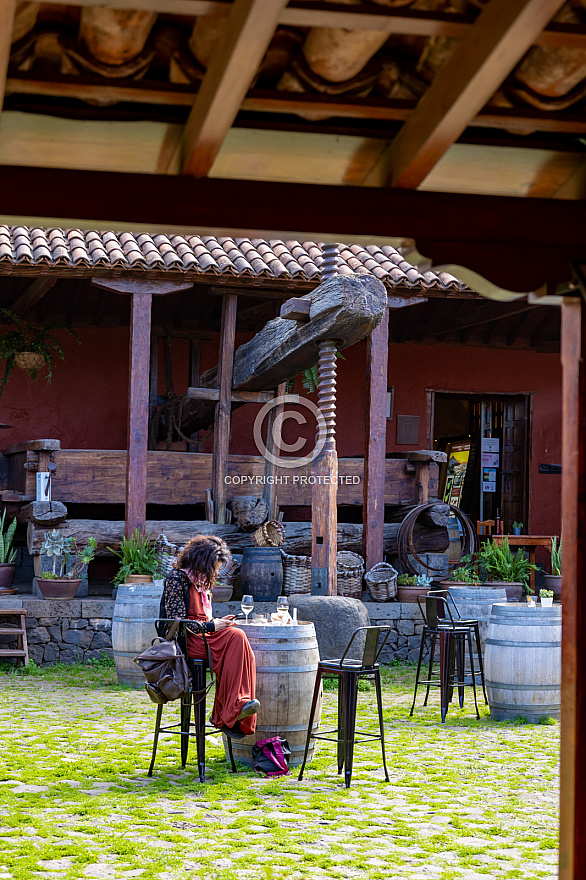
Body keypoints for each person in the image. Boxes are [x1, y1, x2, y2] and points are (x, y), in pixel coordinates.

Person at [161, 535, 259, 740]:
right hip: (187, 642)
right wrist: (213, 625)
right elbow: (176, 623)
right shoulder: (176, 578)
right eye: (213, 566)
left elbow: (204, 617)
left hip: (205, 636)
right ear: (201, 561)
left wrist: (217, 622)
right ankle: (232, 710)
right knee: (236, 637)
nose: (214, 572)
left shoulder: (202, 581)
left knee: (239, 641)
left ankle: (231, 710)